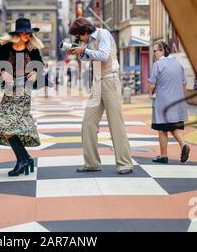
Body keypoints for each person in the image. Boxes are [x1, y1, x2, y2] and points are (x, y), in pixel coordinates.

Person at [0, 18, 44, 177]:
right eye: (24, 32)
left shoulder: (31, 46)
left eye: (29, 33)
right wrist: (3, 72)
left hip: (24, 91)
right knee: (4, 124)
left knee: (9, 128)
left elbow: (39, 63)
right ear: (17, 34)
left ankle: (22, 161)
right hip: (10, 90)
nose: (27, 35)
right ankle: (25, 158)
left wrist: (35, 71)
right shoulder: (5, 46)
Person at [67, 17, 133, 175]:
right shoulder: (88, 41)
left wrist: (85, 50)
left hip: (110, 79)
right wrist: (78, 53)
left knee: (116, 124)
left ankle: (125, 164)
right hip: (97, 82)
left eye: (78, 36)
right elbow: (88, 58)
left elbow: (103, 55)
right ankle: (92, 163)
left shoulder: (103, 34)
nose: (78, 39)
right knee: (88, 124)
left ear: (85, 31)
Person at [148, 41, 190, 163]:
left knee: (162, 129)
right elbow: (184, 83)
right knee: (174, 126)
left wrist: (150, 93)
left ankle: (163, 155)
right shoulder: (178, 64)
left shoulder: (158, 64)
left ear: (162, 50)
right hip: (177, 102)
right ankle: (183, 145)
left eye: (155, 51)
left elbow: (152, 84)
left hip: (163, 102)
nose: (153, 53)